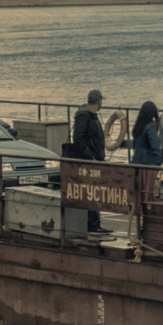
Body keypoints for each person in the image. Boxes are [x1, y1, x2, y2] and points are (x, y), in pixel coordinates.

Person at [69, 88, 109, 233]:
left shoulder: (93, 116)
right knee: (91, 191)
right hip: (89, 160)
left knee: (95, 191)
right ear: (98, 101)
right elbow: (78, 138)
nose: (102, 104)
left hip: (96, 158)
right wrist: (90, 156)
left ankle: (95, 223)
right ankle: (93, 224)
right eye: (101, 101)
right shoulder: (84, 116)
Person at [129, 101, 163, 167]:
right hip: (147, 164)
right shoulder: (150, 127)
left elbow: (135, 146)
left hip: (136, 161)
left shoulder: (138, 127)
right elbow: (155, 147)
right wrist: (161, 162)